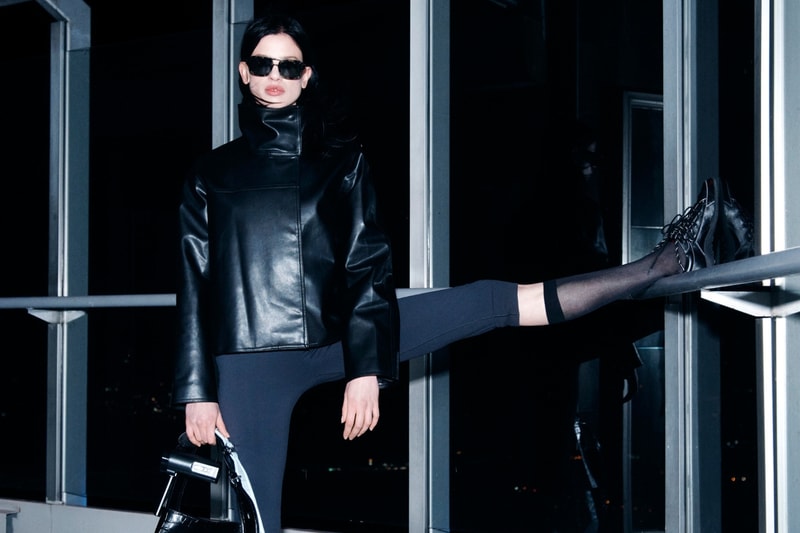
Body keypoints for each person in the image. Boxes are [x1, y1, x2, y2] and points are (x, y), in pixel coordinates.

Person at [172, 14, 738, 533]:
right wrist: (197, 392)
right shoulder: (210, 173)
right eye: (264, 64)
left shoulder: (341, 162)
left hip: (342, 336)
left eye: (289, 66)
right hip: (248, 364)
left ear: (306, 76)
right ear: (244, 73)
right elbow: (195, 286)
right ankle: (671, 260)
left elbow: (367, 265)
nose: (275, 76)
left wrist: (366, 368)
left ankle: (671, 259)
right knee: (259, 522)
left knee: (492, 299)